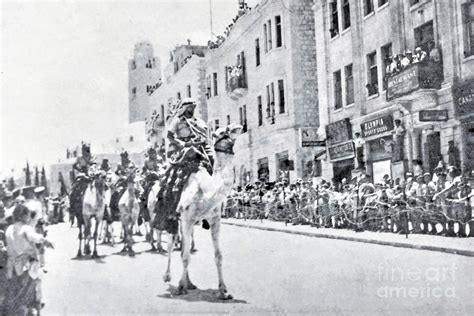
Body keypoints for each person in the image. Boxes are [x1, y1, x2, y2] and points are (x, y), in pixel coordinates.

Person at [153, 98, 213, 234]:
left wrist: (202, 142)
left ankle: (209, 208)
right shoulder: (178, 121)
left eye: (193, 107)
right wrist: (181, 143)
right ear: (184, 108)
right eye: (190, 107)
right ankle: (170, 211)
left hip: (200, 148)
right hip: (183, 148)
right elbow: (169, 136)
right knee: (171, 177)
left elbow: (206, 135)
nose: (192, 109)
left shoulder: (199, 122)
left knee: (212, 163)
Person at [4, 204, 54, 315]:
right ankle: (35, 305)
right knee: (35, 283)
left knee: (16, 289)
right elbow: (34, 236)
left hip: (11, 266)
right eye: (27, 215)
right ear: (24, 216)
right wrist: (45, 241)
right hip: (26, 265)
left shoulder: (9, 229)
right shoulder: (26, 228)